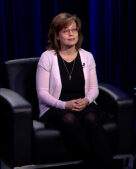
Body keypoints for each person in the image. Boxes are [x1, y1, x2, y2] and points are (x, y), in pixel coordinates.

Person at [36, 13, 113, 169]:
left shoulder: (87, 56)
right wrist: (65, 105)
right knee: (69, 120)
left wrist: (87, 100)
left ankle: (107, 165)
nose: (71, 34)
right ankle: (94, 163)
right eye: (66, 30)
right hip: (56, 106)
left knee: (92, 118)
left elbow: (93, 89)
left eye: (74, 29)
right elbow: (42, 94)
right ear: (57, 36)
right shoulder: (47, 57)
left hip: (82, 103)